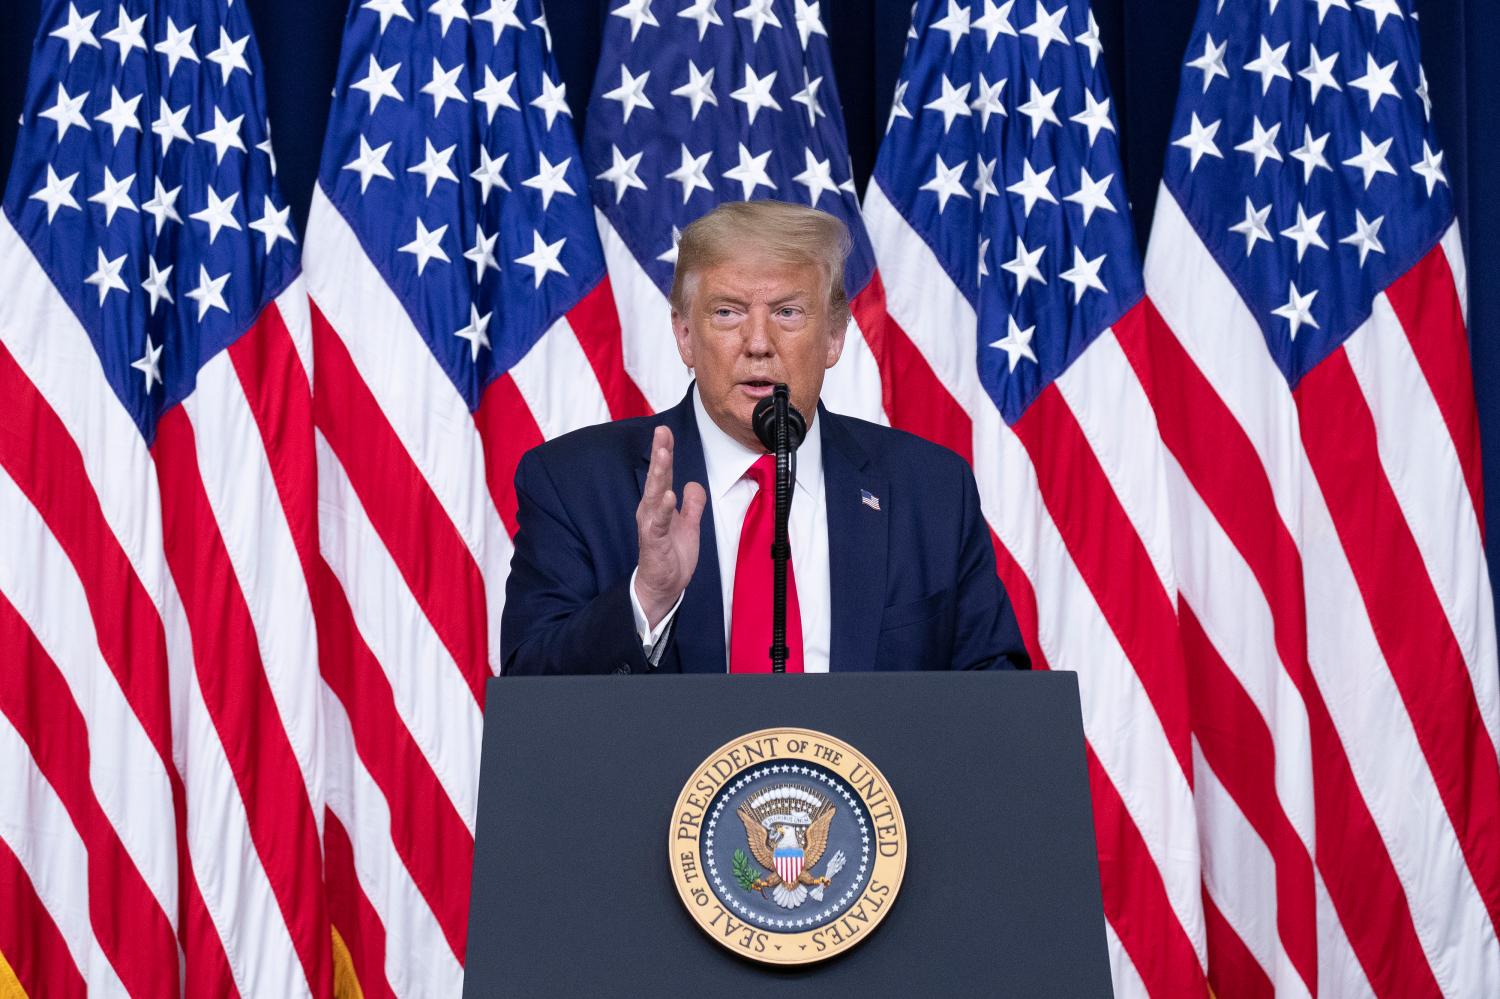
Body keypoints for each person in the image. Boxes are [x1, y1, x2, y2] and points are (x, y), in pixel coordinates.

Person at [501, 200, 1029, 675]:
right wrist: (648, 598)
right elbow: (532, 700)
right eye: (727, 312)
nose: (758, 343)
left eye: (787, 313)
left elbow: (995, 706)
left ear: (835, 337)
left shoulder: (930, 489)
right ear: (684, 335)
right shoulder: (574, 482)